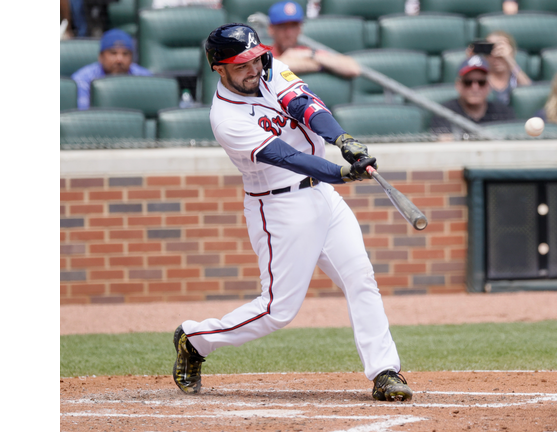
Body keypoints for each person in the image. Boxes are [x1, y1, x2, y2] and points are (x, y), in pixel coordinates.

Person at [171, 23, 413, 403]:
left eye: (255, 59)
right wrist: (338, 171)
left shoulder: (271, 68)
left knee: (360, 278)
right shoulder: (226, 119)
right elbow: (286, 157)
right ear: (219, 69)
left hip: (325, 199)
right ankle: (196, 339)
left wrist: (341, 139)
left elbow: (305, 105)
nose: (253, 69)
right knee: (277, 310)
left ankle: (385, 371)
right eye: (241, 65)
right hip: (279, 207)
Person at [267, 1, 361, 78]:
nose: (289, 33)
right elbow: (271, 67)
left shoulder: (306, 52)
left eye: (294, 26)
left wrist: (310, 55)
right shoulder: (264, 53)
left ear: (300, 29)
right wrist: (320, 65)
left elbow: (353, 68)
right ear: (271, 29)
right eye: (283, 26)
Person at [430, 55, 516, 138]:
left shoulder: (503, 112)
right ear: (458, 85)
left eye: (481, 82)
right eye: (468, 82)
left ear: (488, 86)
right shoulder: (445, 112)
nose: (475, 88)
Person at [70, 29, 152, 110]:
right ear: (101, 57)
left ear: (132, 57)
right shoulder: (82, 79)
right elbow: (83, 114)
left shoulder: (145, 78)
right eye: (113, 53)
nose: (119, 59)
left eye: (125, 54)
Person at [468, 31, 531, 106]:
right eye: (491, 51)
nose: (496, 58)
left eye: (501, 55)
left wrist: (509, 59)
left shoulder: (515, 77)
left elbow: (530, 94)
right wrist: (469, 60)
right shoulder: (481, 76)